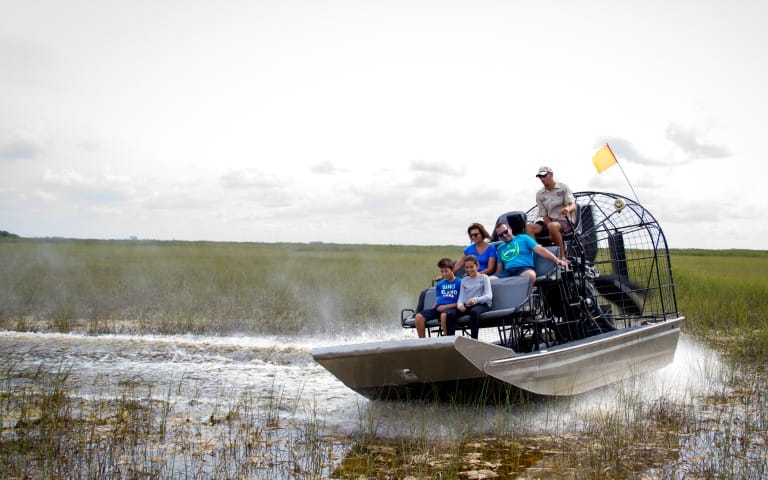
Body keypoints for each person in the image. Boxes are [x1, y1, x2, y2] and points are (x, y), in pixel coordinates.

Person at [525, 166, 576, 258]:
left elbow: (573, 205)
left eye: (544, 176)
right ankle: (537, 255)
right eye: (540, 177)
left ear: (551, 175)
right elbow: (544, 215)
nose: (542, 179)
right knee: (528, 227)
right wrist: (549, 227)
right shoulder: (540, 194)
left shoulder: (563, 188)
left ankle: (562, 257)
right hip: (550, 222)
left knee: (552, 226)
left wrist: (567, 209)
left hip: (565, 221)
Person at [492, 222, 567, 282]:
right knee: (489, 280)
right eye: (501, 235)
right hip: (508, 272)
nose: (504, 235)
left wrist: (557, 260)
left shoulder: (523, 238)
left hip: (523, 269)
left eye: (505, 232)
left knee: (530, 275)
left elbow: (541, 250)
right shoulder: (500, 247)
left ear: (510, 229)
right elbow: (499, 269)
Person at [414, 257, 461, 338]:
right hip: (439, 309)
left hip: (452, 309)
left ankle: (447, 341)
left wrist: (445, 307)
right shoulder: (440, 284)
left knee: (444, 315)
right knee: (418, 317)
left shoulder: (459, 282)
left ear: (452, 269)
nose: (444, 274)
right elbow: (439, 298)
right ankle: (423, 342)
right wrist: (434, 308)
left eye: (446, 271)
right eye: (442, 272)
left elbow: (461, 302)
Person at [452, 255, 492, 339]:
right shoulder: (464, 280)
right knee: (450, 315)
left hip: (482, 304)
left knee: (474, 312)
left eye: (471, 267)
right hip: (468, 305)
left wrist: (476, 300)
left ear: (477, 266)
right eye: (467, 267)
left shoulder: (484, 277)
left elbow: (489, 296)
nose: (469, 269)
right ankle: (450, 340)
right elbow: (461, 297)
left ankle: (474, 340)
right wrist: (460, 305)